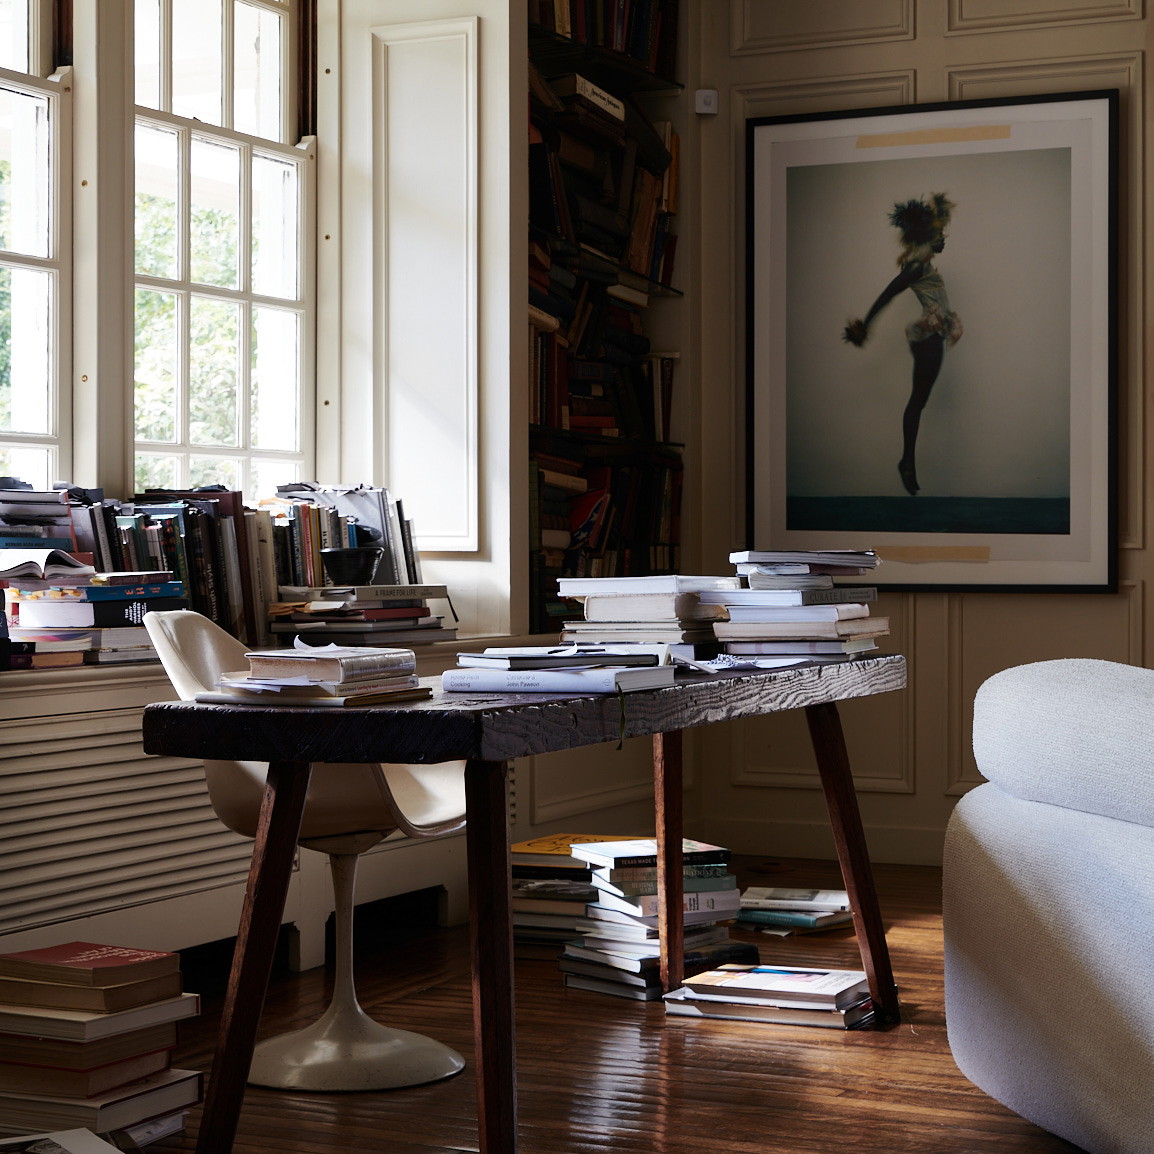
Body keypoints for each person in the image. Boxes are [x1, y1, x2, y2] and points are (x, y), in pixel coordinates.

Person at [843, 192, 962, 495]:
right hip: (928, 336)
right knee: (917, 401)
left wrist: (938, 212)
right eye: (939, 234)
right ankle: (906, 461)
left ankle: (907, 461)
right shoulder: (916, 266)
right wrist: (865, 325)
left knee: (919, 400)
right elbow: (888, 294)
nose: (943, 239)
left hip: (933, 334)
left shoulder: (922, 260)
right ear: (927, 235)